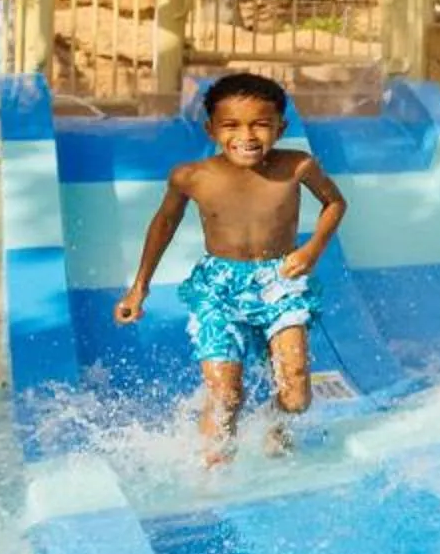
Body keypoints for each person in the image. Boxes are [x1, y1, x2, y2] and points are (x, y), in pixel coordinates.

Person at [114, 71, 347, 466]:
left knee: (296, 395)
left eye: (261, 124)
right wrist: (139, 287)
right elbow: (165, 223)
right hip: (219, 289)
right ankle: (214, 469)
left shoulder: (297, 166)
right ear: (211, 129)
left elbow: (335, 203)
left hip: (280, 282)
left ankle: (273, 427)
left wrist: (313, 249)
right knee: (226, 395)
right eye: (231, 125)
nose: (247, 135)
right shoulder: (192, 177)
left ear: (280, 127)